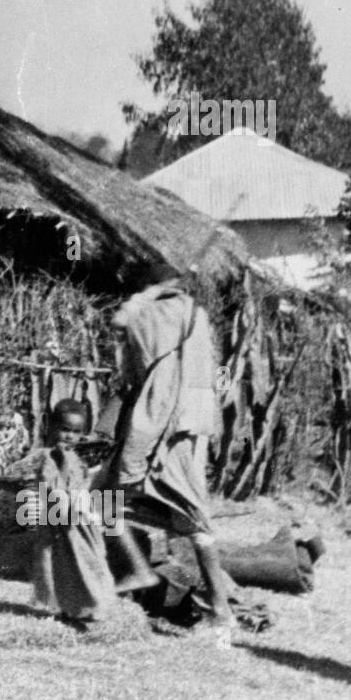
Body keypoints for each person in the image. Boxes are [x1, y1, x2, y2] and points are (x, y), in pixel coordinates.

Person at [100, 263, 237, 634]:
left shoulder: (151, 315)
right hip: (192, 426)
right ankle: (139, 573)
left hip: (166, 425)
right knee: (178, 514)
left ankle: (217, 611)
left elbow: (120, 323)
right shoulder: (195, 313)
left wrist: (142, 298)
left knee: (108, 501)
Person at [28, 399, 118, 623]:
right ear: (51, 427)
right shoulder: (50, 456)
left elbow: (80, 483)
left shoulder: (75, 457)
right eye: (64, 430)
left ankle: (80, 605)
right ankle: (58, 605)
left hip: (72, 518)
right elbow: (53, 486)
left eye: (76, 432)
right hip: (57, 518)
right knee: (55, 563)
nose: (69, 436)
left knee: (76, 560)